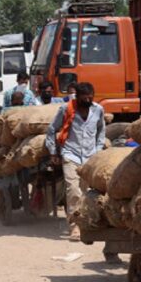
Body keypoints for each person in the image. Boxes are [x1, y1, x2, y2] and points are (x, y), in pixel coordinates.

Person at [45, 83, 107, 240]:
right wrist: (53, 151)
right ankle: (75, 226)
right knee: (73, 190)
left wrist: (98, 149)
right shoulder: (66, 109)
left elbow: (101, 131)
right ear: (77, 96)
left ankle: (86, 221)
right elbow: (52, 130)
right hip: (70, 154)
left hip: (90, 156)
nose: (87, 99)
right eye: (84, 96)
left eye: (90, 96)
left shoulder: (98, 110)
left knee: (86, 192)